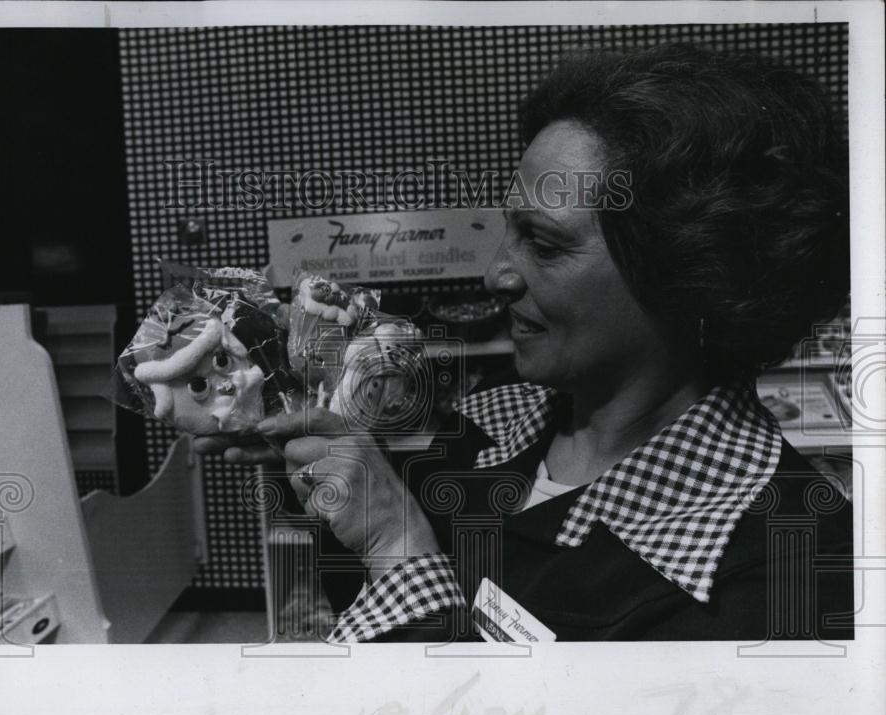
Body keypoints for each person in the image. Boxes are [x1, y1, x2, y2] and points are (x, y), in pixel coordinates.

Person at [196, 43, 853, 642]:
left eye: (543, 242)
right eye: (510, 230)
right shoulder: (489, 425)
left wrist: (397, 541)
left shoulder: (785, 574)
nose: (497, 273)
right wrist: (324, 457)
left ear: (691, 273)